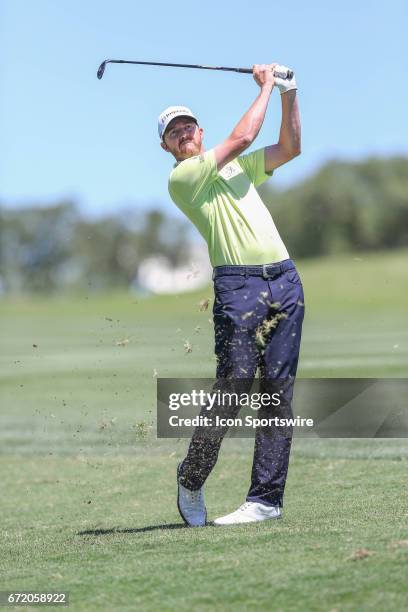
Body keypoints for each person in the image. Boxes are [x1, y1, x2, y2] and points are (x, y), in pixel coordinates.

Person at [159, 63, 304, 526]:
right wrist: (265, 85)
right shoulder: (184, 179)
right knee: (234, 387)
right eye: (172, 132)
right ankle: (192, 477)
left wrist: (289, 93)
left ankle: (265, 500)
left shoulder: (239, 168)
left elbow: (290, 147)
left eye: (187, 126)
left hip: (284, 279)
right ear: (166, 147)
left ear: (200, 132)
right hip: (237, 286)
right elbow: (241, 138)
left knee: (278, 393)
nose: (182, 134)